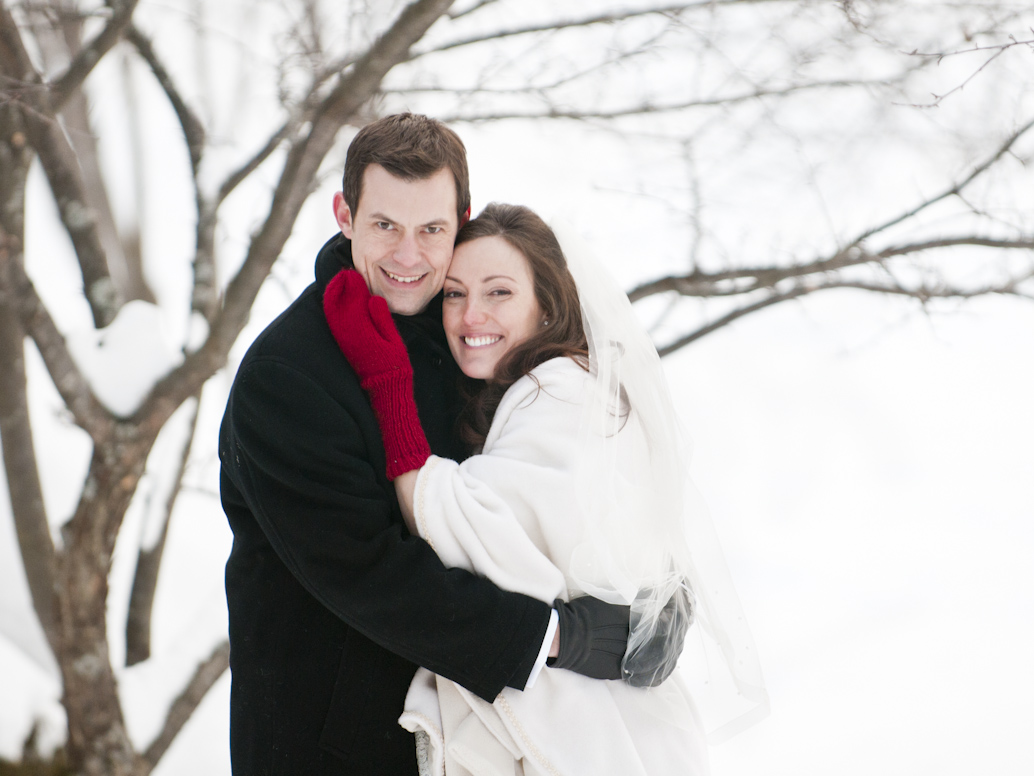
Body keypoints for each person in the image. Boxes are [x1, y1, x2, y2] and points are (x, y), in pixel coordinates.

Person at [218, 114, 660, 776]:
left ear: (461, 218)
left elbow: (552, 486)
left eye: (431, 230)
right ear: (344, 214)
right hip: (331, 743)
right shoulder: (287, 375)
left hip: (462, 734)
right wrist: (563, 637)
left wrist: (651, 595)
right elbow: (369, 572)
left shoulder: (467, 331)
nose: (408, 255)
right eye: (385, 226)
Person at [324, 204, 769, 775]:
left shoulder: (557, 391)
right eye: (455, 294)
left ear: (549, 304)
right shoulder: (562, 387)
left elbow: (473, 530)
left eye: (499, 292)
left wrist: (388, 387)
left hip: (594, 733)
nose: (469, 315)